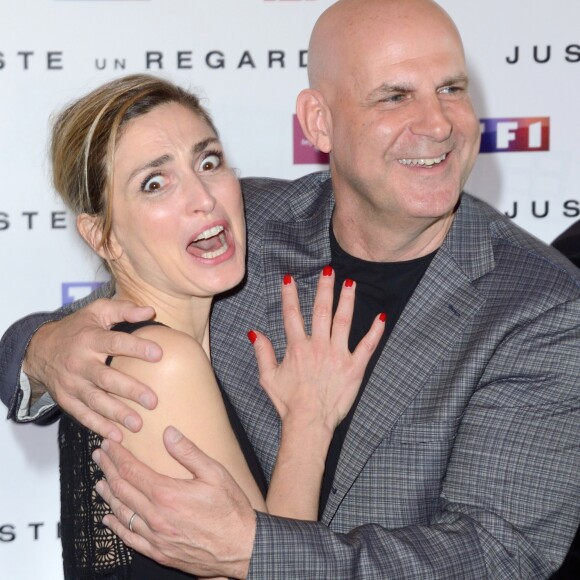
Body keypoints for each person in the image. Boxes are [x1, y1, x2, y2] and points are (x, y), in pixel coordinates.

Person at [1, 0, 580, 577]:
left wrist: (252, 548)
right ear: (318, 122)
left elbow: (497, 556)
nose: (437, 123)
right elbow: (101, 324)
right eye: (396, 96)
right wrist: (40, 350)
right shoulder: (239, 227)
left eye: (452, 88)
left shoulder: (539, 304)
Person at [21, 73, 385, 579]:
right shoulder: (159, 363)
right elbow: (272, 568)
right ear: (101, 236)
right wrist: (309, 420)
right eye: (155, 183)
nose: (203, 197)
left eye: (208, 161)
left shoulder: (137, 350)